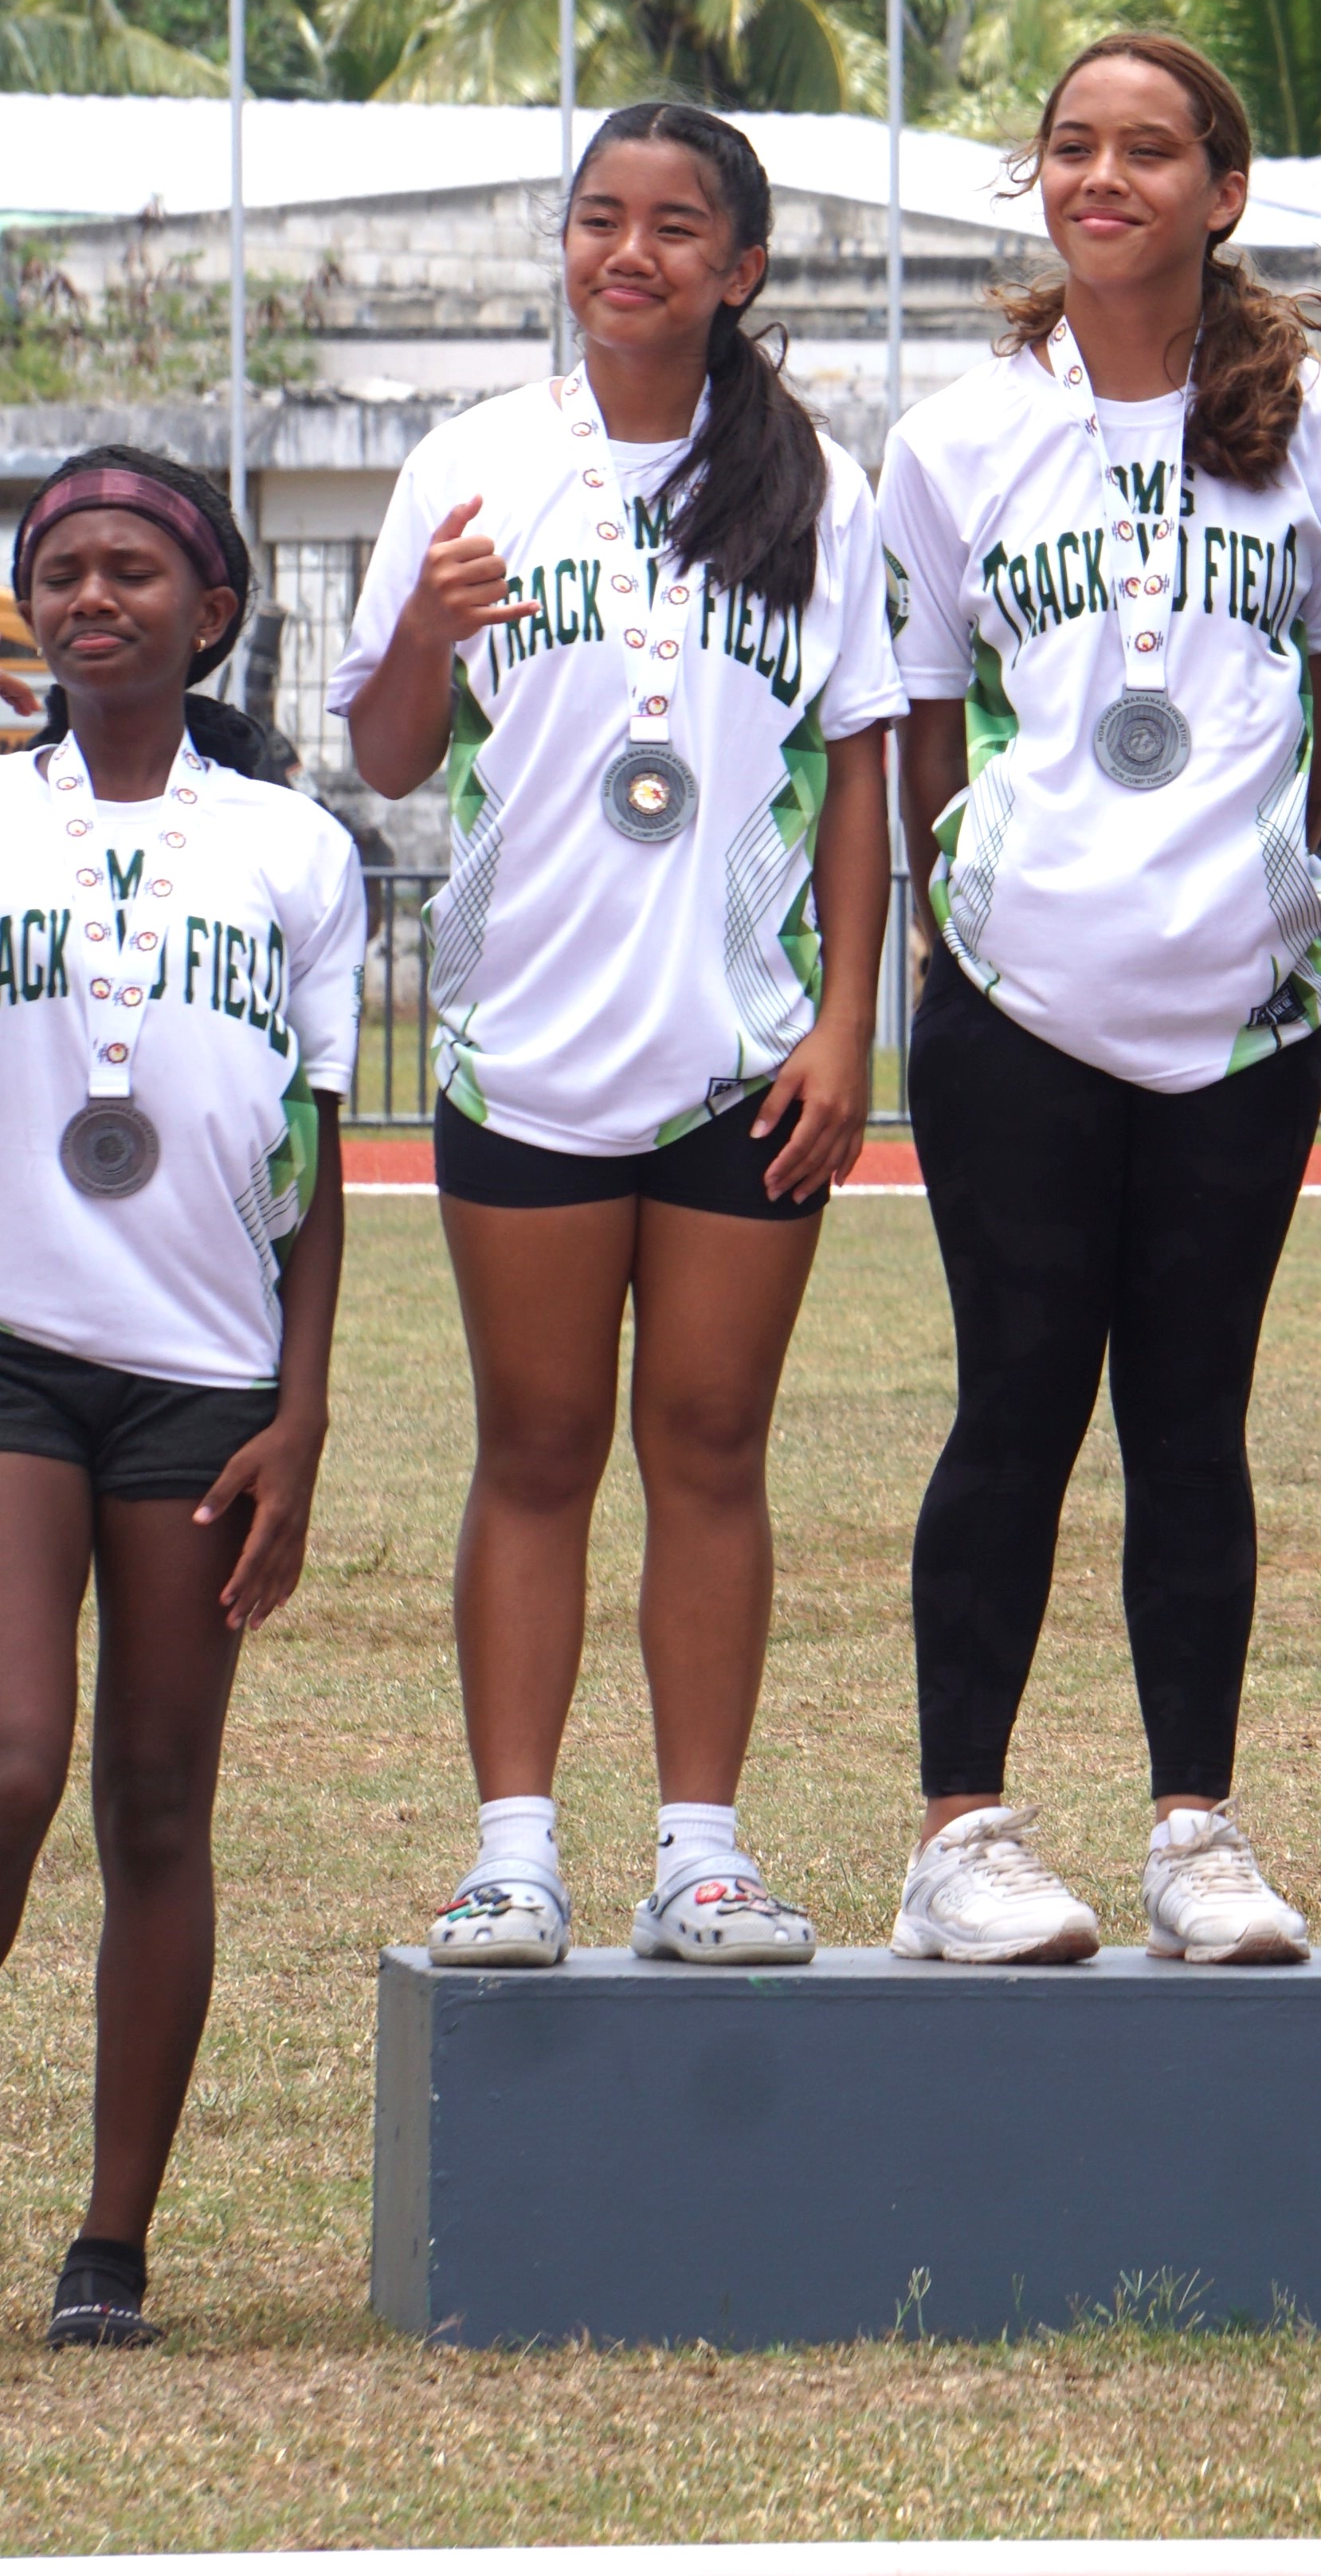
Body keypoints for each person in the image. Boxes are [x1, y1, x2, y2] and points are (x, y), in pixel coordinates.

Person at [337, 101, 902, 1972]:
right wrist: (421, 630)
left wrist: (844, 1026)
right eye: (599, 220)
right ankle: (514, 1853)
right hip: (529, 1046)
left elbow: (856, 773)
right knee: (538, 1443)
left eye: (676, 227)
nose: (630, 253)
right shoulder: (472, 464)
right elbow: (394, 754)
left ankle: (701, 1854)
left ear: (741, 266)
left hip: (743, 1058)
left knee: (716, 1444)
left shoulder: (816, 477)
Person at [0, 449, 361, 2352]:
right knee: (11, 1762)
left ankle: (109, 2249)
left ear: (209, 611)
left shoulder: (295, 847)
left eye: (135, 569)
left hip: (204, 1380)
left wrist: (299, 1420)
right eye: (61, 568)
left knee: (156, 1798)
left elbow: (311, 1155)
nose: (91, 596)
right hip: (1, 1346)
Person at [873, 32, 1321, 1966]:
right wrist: (995, 900)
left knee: (1195, 1421)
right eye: (1073, 148)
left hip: (1243, 1016)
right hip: (1014, 1005)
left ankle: (1197, 1831)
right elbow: (923, 726)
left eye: (1149, 150)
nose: (1105, 178)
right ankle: (959, 1838)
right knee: (1013, 1404)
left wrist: (1248, 878)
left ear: (1221, 191)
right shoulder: (953, 437)